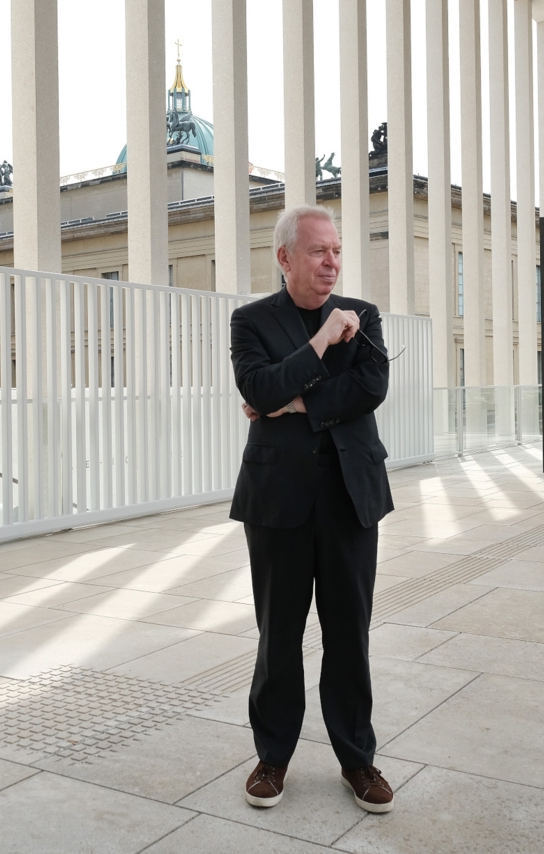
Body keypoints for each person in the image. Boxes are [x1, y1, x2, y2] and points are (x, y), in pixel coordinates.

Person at [229, 205, 395, 814]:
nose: (332, 262)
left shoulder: (365, 315)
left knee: (349, 632)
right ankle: (272, 757)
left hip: (352, 495)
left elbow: (372, 386)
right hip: (278, 500)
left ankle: (358, 760)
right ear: (285, 258)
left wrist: (294, 402)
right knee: (279, 637)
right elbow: (259, 389)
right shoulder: (249, 321)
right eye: (319, 251)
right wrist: (323, 340)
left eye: (336, 250)